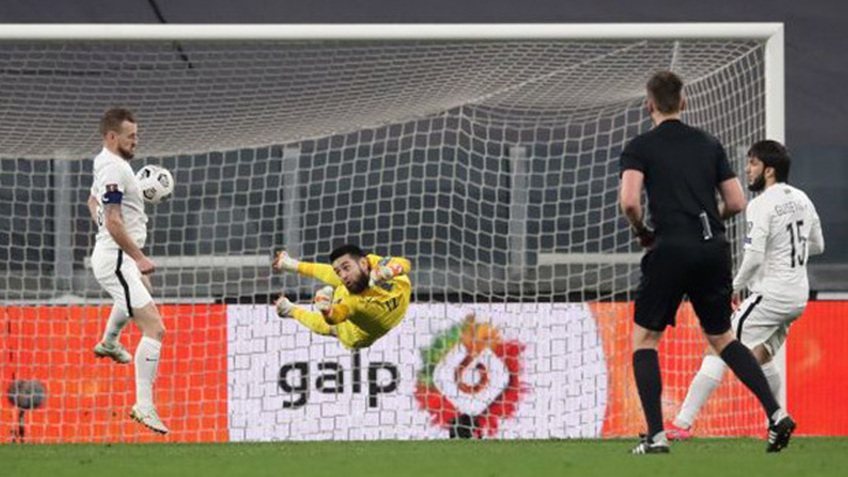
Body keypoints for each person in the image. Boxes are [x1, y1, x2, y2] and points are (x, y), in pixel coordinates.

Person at [619, 71, 795, 454]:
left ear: (649, 105)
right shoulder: (709, 143)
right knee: (722, 338)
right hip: (712, 248)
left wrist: (642, 231)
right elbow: (736, 202)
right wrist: (708, 221)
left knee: (646, 340)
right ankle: (776, 415)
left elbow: (630, 201)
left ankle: (656, 437)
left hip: (669, 247)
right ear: (684, 103)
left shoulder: (640, 147)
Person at [667, 140, 824, 440]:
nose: (747, 169)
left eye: (753, 164)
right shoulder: (803, 199)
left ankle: (682, 425)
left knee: (718, 345)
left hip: (772, 294)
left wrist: (731, 288)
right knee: (760, 357)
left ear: (769, 170)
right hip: (797, 296)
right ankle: (778, 421)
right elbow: (817, 245)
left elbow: (752, 258)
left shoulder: (761, 204)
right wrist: (787, 253)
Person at [87, 108, 168, 434]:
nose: (136, 140)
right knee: (155, 329)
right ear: (112, 137)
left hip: (116, 256)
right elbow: (115, 220)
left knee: (139, 294)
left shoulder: (106, 163)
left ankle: (109, 341)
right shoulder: (114, 168)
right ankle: (144, 406)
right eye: (130, 135)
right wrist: (138, 257)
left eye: (136, 134)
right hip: (117, 258)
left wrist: (107, 233)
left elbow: (93, 203)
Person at [272, 244, 412, 349]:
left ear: (363, 264)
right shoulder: (355, 298)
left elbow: (404, 263)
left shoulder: (369, 265)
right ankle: (292, 268)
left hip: (358, 334)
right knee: (338, 279)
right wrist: (326, 310)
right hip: (362, 324)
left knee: (331, 329)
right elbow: (335, 317)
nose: (343, 275)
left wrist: (390, 270)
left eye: (346, 267)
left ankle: (289, 310)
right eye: (339, 272)